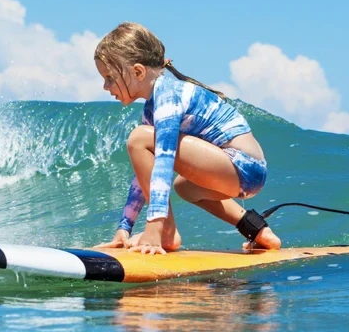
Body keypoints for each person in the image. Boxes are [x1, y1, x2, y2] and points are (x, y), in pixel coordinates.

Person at [94, 22, 281, 255]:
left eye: (110, 78)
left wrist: (155, 226)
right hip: (238, 172)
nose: (105, 86)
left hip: (243, 166)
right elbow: (145, 176)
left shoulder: (169, 95)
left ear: (138, 72)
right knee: (184, 187)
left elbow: (164, 161)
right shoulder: (154, 107)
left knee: (138, 138)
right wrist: (125, 228)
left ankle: (166, 232)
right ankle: (257, 230)